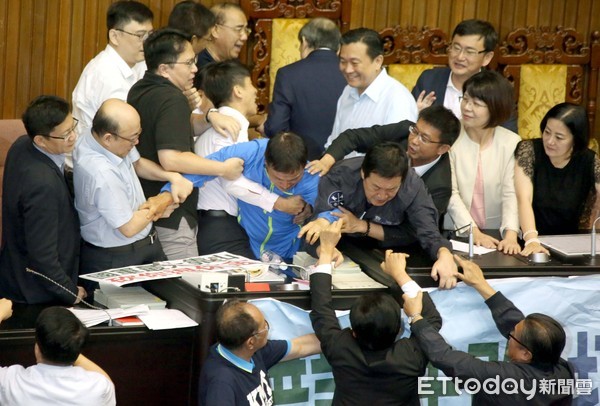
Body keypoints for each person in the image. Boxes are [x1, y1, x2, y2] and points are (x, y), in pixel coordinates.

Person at [127, 28, 243, 260]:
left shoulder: (140, 89)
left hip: (144, 204)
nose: (194, 69)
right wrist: (222, 169)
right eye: (188, 63)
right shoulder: (172, 99)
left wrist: (209, 117)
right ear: (164, 69)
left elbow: (174, 128)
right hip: (172, 213)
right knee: (182, 286)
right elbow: (171, 158)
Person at [404, 255, 575, 405]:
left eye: (513, 336)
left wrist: (416, 318)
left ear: (526, 354)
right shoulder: (562, 370)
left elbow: (447, 358)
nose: (510, 335)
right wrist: (481, 284)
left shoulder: (504, 380)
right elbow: (516, 324)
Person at [309, 220, 442, 404]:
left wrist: (325, 250)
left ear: (353, 332)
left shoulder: (340, 348)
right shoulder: (410, 357)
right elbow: (431, 320)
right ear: (398, 330)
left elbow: (321, 309)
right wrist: (399, 274)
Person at [300, 141, 458, 289]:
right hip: (342, 247)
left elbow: (428, 231)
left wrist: (444, 253)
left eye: (391, 190)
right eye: (376, 187)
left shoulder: (412, 186)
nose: (382, 195)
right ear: (363, 173)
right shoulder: (340, 176)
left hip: (389, 250)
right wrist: (323, 249)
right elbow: (318, 225)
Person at [74, 99, 193, 278]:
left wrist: (172, 176)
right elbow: (128, 227)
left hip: (145, 244)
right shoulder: (101, 172)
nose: (137, 142)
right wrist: (161, 202)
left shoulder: (97, 137)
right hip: (118, 258)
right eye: (132, 138)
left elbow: (137, 164)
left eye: (138, 134)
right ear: (108, 138)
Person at [163, 132, 319, 261]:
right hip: (248, 243)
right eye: (278, 178)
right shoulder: (252, 152)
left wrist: (314, 212)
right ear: (266, 163)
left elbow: (328, 209)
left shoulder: (312, 175)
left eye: (293, 179)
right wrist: (165, 195)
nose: (285, 185)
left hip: (290, 252)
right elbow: (204, 169)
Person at [194, 60, 294, 257]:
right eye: (251, 85)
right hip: (219, 227)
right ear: (238, 91)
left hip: (218, 224)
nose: (256, 91)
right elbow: (231, 182)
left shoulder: (222, 124)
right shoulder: (230, 126)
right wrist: (278, 203)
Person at [0, 95, 86, 305]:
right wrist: (70, 292)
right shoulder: (42, 185)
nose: (73, 136)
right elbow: (42, 258)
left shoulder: (21, 145)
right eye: (65, 135)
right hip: (36, 293)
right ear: (40, 140)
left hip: (14, 272)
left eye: (72, 126)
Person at [307, 105, 461, 219]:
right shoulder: (403, 131)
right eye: (415, 131)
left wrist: (363, 227)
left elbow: (411, 232)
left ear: (443, 148)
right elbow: (353, 137)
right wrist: (326, 161)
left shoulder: (440, 185)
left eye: (424, 139)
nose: (414, 141)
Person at [444, 70, 521, 254]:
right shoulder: (450, 135)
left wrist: (510, 235)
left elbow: (511, 192)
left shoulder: (511, 142)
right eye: (465, 99)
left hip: (497, 233)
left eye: (476, 103)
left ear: (495, 108)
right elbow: (451, 193)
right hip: (455, 232)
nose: (467, 107)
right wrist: (473, 232)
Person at [198, 299, 321, 405]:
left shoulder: (252, 352)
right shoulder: (221, 384)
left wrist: (336, 340)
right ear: (251, 342)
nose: (267, 328)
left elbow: (302, 346)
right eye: (265, 326)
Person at [515, 103, 600, 255]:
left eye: (559, 137)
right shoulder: (528, 150)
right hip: (528, 241)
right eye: (547, 132)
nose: (550, 141)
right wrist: (532, 240)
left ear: (576, 140)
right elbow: (524, 199)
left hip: (570, 247)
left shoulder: (589, 160)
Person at [411, 19, 518, 133]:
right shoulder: (429, 80)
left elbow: (508, 136)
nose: (460, 57)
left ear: (487, 58)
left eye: (469, 51)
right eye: (456, 48)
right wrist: (415, 116)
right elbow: (407, 125)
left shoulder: (499, 90)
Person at [262, 17, 346, 160]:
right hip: (345, 163)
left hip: (301, 164)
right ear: (338, 48)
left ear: (305, 41)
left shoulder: (287, 74)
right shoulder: (352, 75)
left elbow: (276, 127)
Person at [324, 28, 418, 154]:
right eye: (342, 61)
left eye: (354, 63)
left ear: (377, 61)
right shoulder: (348, 91)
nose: (347, 69)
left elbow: (393, 158)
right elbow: (334, 142)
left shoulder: (398, 99)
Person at [0, 306, 116, 405]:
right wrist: (66, 342)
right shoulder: (98, 387)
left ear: (37, 347)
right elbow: (106, 381)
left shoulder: (9, 383)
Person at [72, 1, 153, 139]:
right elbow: (120, 133)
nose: (146, 42)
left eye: (149, 35)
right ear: (115, 36)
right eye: (140, 36)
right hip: (99, 154)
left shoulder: (141, 62)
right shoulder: (105, 74)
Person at [197, 3, 250, 68]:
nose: (245, 37)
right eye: (238, 29)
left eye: (246, 30)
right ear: (215, 30)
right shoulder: (199, 68)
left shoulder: (234, 65)